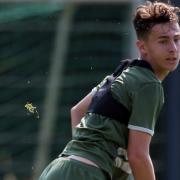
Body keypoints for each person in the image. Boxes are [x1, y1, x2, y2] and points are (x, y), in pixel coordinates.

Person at [39, 1, 180, 180]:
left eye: (176, 39)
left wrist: (94, 157)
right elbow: (139, 156)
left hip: (57, 169)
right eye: (163, 41)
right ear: (143, 47)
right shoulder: (149, 84)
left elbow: (77, 111)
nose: (173, 49)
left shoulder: (123, 72)